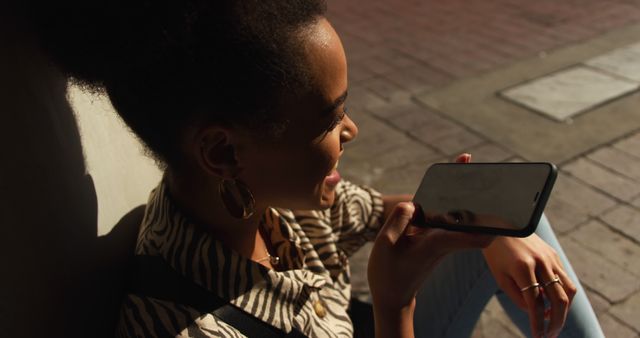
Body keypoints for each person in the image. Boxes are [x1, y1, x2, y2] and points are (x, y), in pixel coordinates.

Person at [37, 0, 604, 337]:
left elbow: (378, 210)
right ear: (223, 152)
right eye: (331, 119)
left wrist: (478, 231)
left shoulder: (256, 198)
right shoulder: (188, 325)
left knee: (519, 226)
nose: (351, 131)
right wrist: (394, 305)